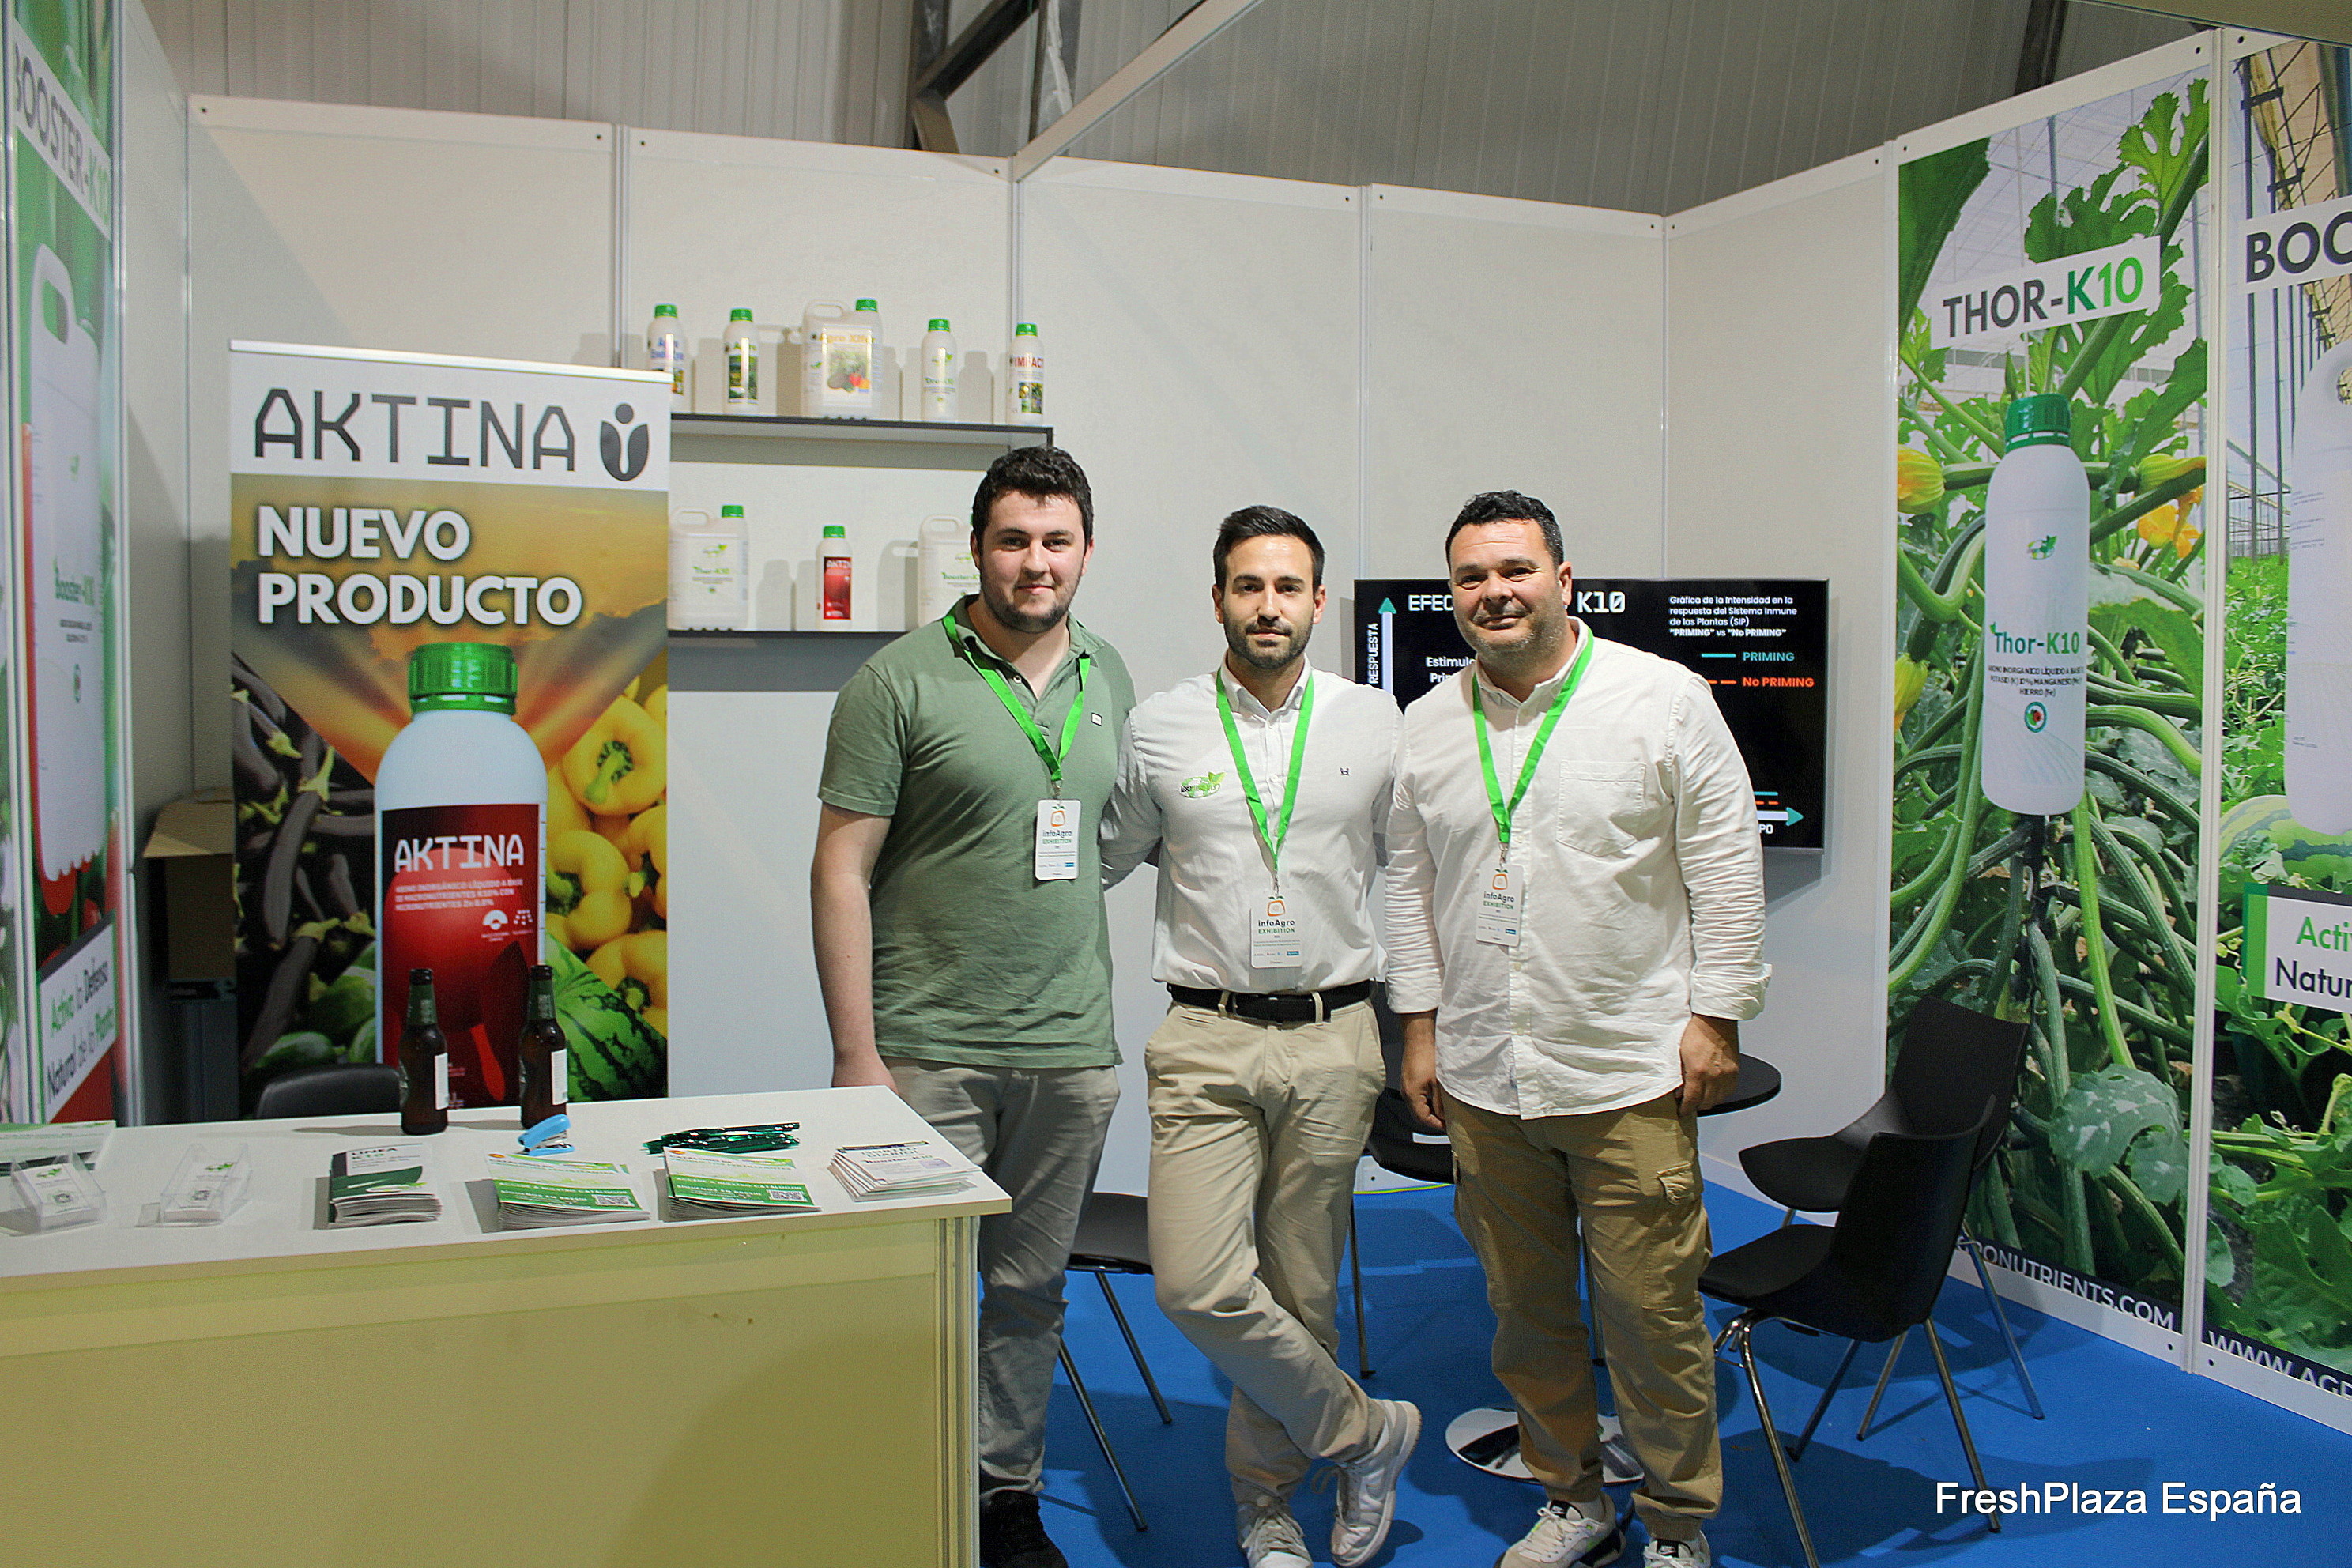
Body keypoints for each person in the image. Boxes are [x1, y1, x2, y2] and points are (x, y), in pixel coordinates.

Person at [1383, 491, 1769, 1568]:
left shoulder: (1663, 699)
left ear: (1563, 578)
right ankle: (1572, 1500)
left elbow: (1727, 866)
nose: (1493, 593)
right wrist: (1419, 1031)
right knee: (1527, 1317)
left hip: (1627, 1071)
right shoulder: (1428, 727)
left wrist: (1717, 1015)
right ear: (1451, 594)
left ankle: (1679, 1525)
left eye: (1515, 570)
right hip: (1487, 1076)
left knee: (1654, 1321)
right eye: (1471, 577)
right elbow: (1409, 890)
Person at [812, 445, 1135, 1568]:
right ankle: (903, 1490)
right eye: (1014, 540)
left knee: (1030, 1293)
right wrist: (856, 1054)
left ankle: (1005, 1498)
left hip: (1071, 1052)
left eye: (1056, 541)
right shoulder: (896, 681)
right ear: (977, 549)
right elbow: (840, 870)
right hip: (925, 1051)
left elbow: (1101, 844)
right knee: (915, 1293)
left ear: (1085, 550)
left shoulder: (1108, 674)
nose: (1036, 563)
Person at [1102, 507, 1417, 1568]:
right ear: (1218, 599)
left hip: (1335, 1033)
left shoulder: (1375, 723)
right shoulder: (1161, 726)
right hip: (1206, 1034)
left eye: (1288, 587)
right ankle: (1366, 1433)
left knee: (1301, 1290)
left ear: (1319, 602)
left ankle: (1267, 1506)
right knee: (1194, 1283)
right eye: (1248, 586)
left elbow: (1417, 870)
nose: (1268, 606)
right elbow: (1103, 854)